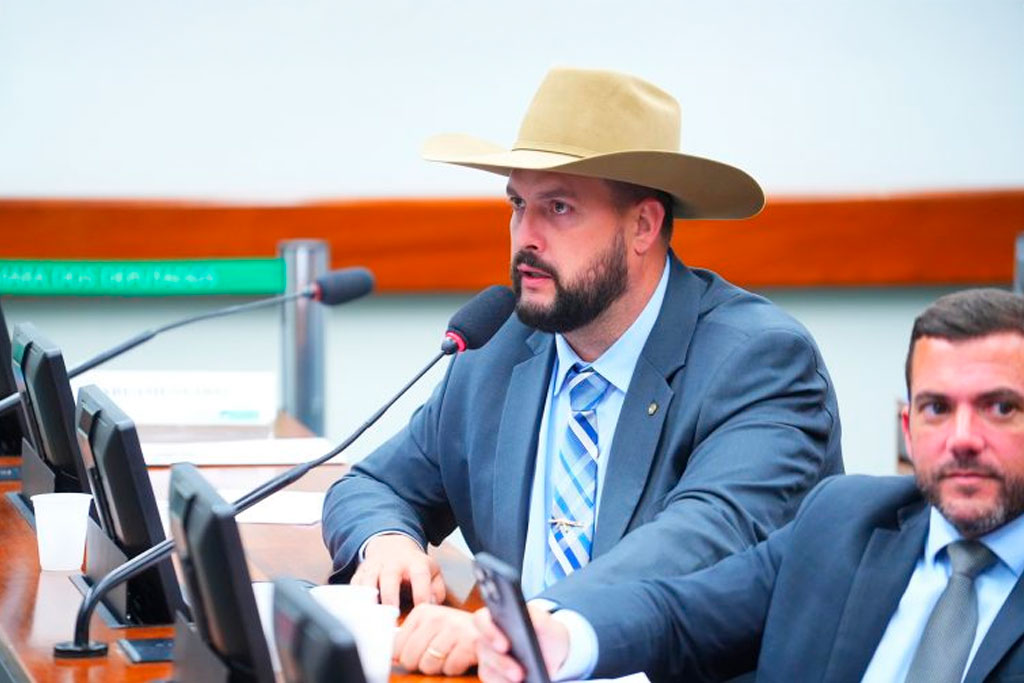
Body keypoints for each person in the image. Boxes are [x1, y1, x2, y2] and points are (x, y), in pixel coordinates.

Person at [321, 66, 843, 676]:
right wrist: (386, 542)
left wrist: (522, 628)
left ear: (644, 225)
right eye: (518, 204)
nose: (526, 237)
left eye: (560, 207)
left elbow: (703, 540)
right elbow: (373, 486)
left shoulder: (758, 361)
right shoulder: (501, 346)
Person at [476, 287, 1024, 683]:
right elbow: (682, 616)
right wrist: (563, 637)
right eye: (936, 408)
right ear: (907, 428)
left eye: (1000, 408)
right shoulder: (847, 522)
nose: (963, 439)